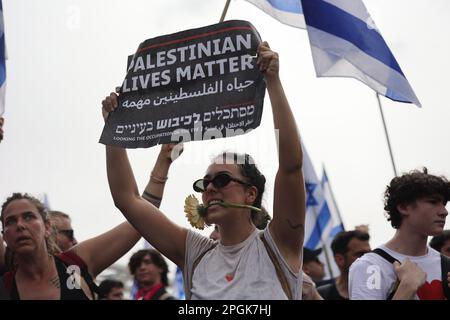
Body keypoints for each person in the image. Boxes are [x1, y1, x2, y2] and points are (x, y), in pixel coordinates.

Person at [103, 41, 306, 299]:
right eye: (204, 183)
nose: (209, 188)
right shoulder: (195, 253)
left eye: (222, 180)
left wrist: (273, 82)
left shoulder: (279, 244)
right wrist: (114, 130)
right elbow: (127, 200)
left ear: (250, 194)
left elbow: (291, 166)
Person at [0, 193, 142, 299]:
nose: (19, 225)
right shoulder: (5, 288)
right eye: (10, 221)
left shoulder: (75, 263)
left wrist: (158, 176)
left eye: (28, 217)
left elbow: (140, 222)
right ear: (4, 236)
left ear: (47, 227)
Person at [349, 168, 450, 300]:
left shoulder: (446, 264)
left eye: (443, 203)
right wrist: (407, 288)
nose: (444, 211)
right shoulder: (370, 266)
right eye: (433, 202)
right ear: (403, 207)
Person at [318, 230, 371, 300]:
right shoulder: (320, 295)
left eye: (370, 254)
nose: (369, 259)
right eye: (361, 254)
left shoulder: (382, 291)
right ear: (340, 259)